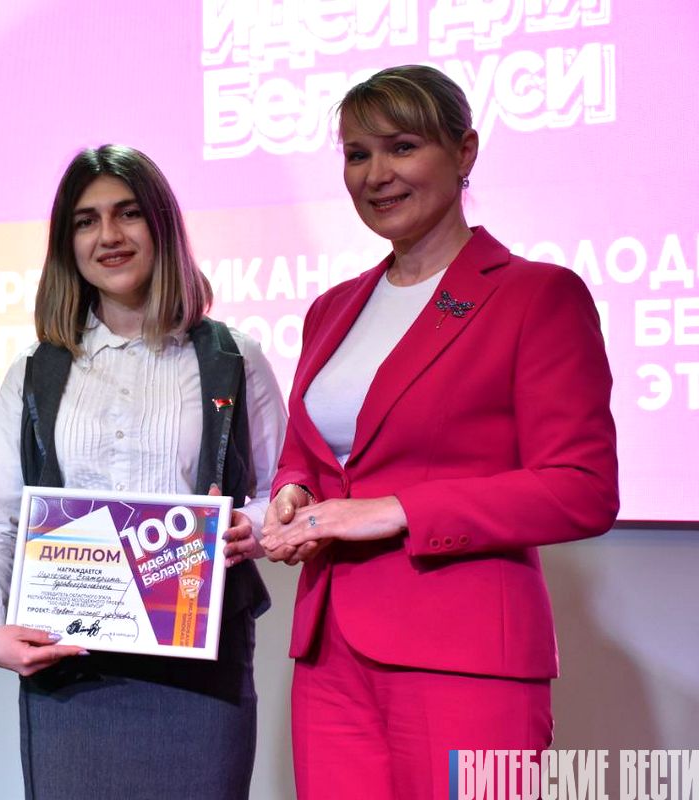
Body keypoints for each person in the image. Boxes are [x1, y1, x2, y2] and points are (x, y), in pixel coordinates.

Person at [259, 64, 619, 798]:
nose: (376, 175)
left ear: (465, 152)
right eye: (357, 154)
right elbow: (311, 453)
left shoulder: (536, 295)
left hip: (464, 653)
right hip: (329, 655)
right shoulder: (331, 309)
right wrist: (294, 491)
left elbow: (582, 489)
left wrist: (395, 510)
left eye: (402, 147)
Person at [0, 144, 287, 799]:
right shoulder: (35, 371)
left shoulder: (233, 358)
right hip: (70, 667)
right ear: (67, 243)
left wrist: (248, 528)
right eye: (86, 221)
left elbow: (281, 494)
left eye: (128, 213)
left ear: (161, 226)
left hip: (200, 672)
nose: (108, 235)